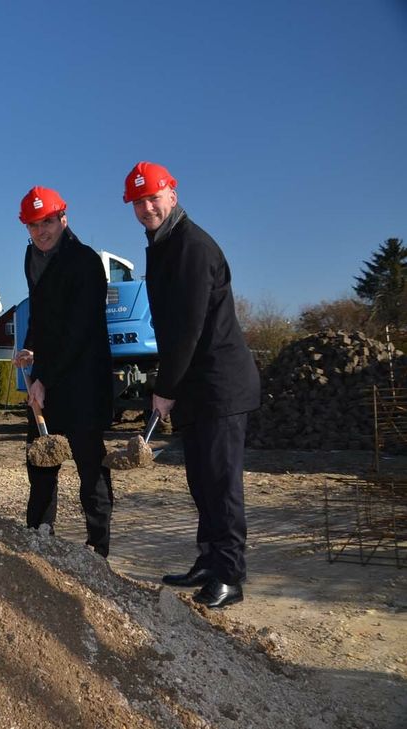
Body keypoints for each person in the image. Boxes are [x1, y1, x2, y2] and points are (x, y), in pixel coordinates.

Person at [123, 161, 260, 609]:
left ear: (172, 195)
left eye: (153, 198)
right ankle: (209, 560)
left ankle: (229, 576)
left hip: (220, 385)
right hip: (198, 387)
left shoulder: (192, 247)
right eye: (138, 202)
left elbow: (188, 329)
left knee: (221, 485)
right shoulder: (163, 244)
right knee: (201, 481)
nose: (146, 208)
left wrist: (164, 388)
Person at [12, 186, 115, 556]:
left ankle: (98, 547)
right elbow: (40, 315)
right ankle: (40, 539)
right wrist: (30, 348)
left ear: (64, 219)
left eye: (48, 222)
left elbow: (79, 331)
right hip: (48, 376)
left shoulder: (84, 262)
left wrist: (45, 379)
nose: (42, 231)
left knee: (91, 465)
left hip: (83, 379)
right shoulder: (32, 258)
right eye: (34, 225)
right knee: (41, 459)